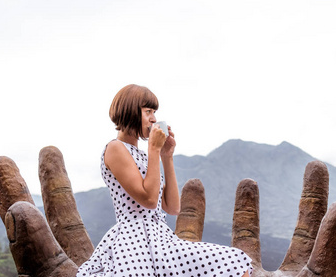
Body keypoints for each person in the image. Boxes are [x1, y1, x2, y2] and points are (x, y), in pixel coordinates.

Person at [77, 84, 253, 277]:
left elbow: (173, 208)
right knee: (233, 262)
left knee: (235, 261)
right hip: (134, 241)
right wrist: (153, 149)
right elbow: (150, 200)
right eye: (148, 111)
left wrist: (166, 156)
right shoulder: (115, 148)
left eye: (154, 112)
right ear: (130, 112)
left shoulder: (144, 155)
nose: (154, 118)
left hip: (161, 238)